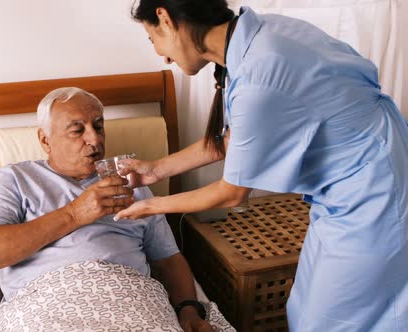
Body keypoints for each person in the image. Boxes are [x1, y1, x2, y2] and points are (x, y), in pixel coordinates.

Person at [114, 1, 408, 331]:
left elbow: (231, 194)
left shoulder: (260, 71)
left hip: (375, 196)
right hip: (348, 190)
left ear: (165, 20)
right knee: (305, 309)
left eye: (152, 40)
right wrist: (156, 170)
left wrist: (151, 205)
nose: (163, 56)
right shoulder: (260, 37)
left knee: (336, 321)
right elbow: (237, 141)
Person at [0, 87, 223, 332]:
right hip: (46, 304)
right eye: (77, 130)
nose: (95, 139)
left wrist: (188, 308)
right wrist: (75, 213)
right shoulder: (17, 178)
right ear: (45, 140)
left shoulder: (131, 180)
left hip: (131, 299)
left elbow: (168, 258)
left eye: (99, 127)